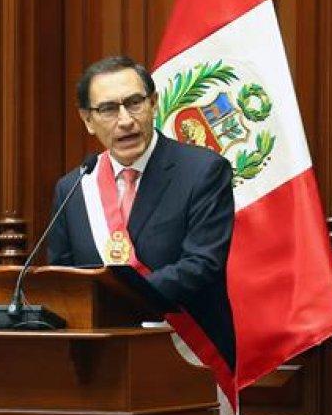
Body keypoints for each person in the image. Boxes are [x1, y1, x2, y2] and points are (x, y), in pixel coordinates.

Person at [47, 55, 236, 366]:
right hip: (100, 362)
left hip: (187, 355)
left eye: (134, 103)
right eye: (107, 109)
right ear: (87, 120)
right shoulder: (74, 188)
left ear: (154, 103)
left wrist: (116, 300)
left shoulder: (203, 171)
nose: (125, 120)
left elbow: (202, 263)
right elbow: (64, 279)